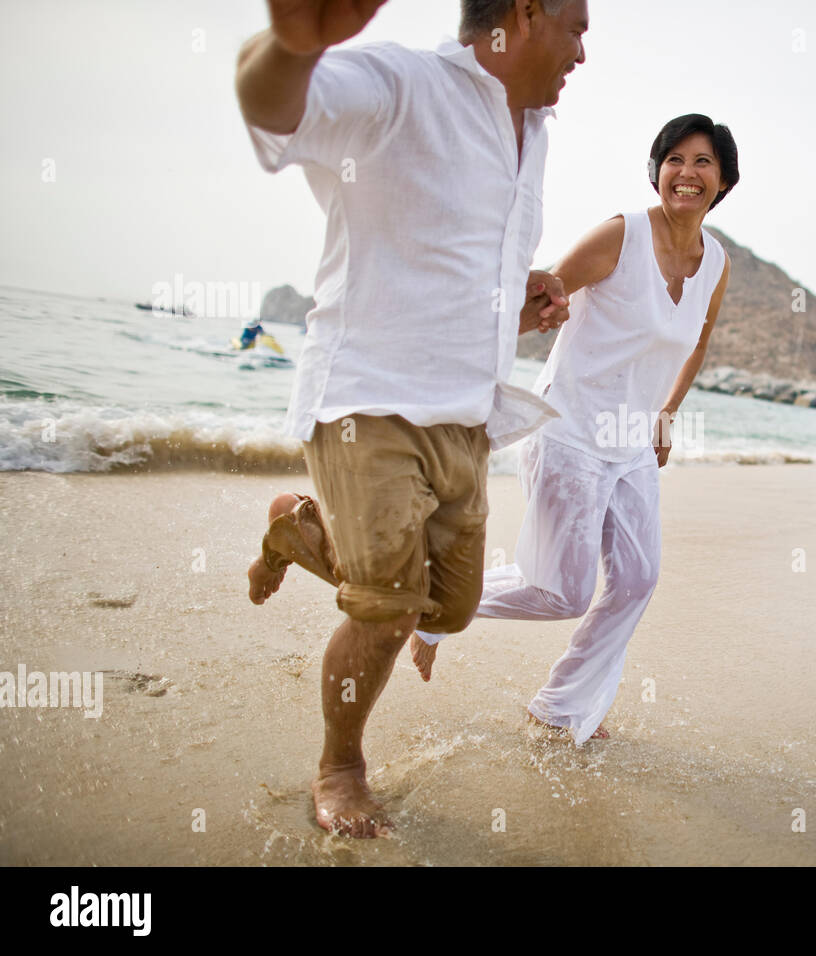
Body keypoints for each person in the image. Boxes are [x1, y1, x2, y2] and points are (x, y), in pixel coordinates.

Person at [236, 0, 589, 838]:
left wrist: (518, 296)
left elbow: (453, 255)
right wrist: (292, 44)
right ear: (528, 15)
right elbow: (272, 110)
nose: (584, 52)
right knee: (390, 609)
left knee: (448, 610)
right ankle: (340, 766)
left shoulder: (530, 129)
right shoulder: (404, 82)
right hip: (368, 404)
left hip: (466, 416)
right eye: (577, 28)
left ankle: (299, 531)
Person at [410, 114, 737, 746]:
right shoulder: (622, 236)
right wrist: (541, 300)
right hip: (569, 431)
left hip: (632, 443)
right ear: (657, 170)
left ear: (722, 181)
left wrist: (667, 411)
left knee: (638, 580)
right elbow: (549, 291)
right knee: (559, 592)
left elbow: (697, 340)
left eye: (702, 162)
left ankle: (562, 707)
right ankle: (429, 597)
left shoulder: (715, 262)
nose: (686, 173)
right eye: (674, 159)